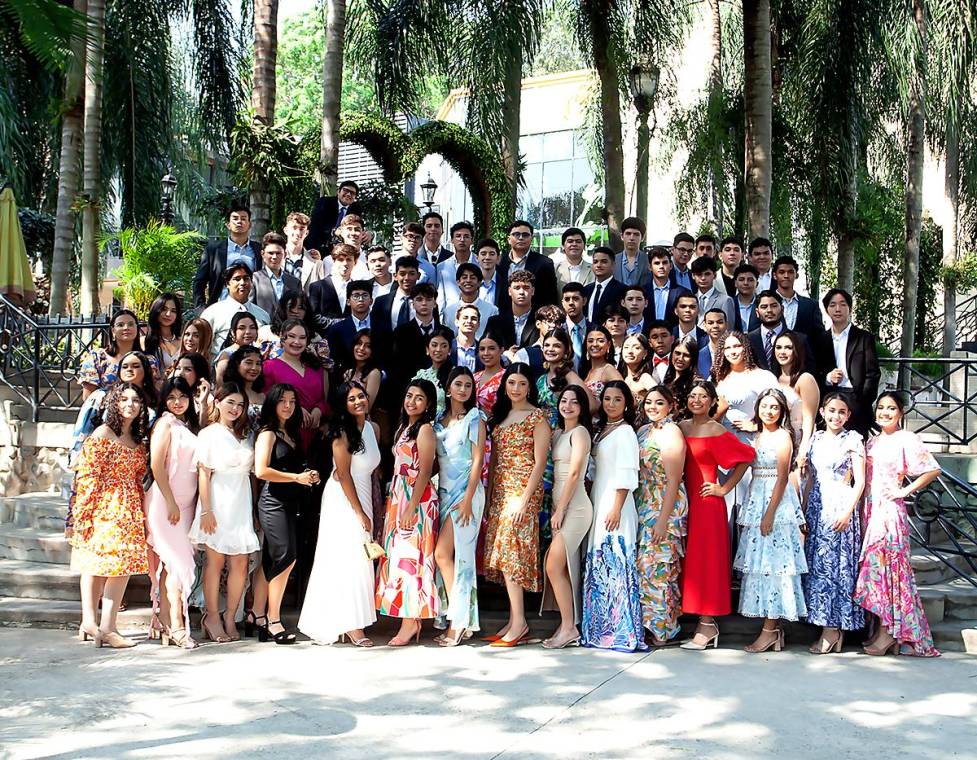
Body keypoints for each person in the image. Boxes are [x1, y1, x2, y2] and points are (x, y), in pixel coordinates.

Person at [854, 391, 941, 657]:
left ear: (900, 412)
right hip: (868, 510)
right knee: (874, 573)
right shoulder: (871, 441)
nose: (885, 413)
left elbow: (931, 469)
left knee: (887, 572)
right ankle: (882, 630)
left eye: (891, 408)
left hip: (889, 511)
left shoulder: (907, 439)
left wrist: (905, 491)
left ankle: (890, 633)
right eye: (881, 408)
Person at [68, 382, 150, 648]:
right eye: (124, 399)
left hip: (129, 507)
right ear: (114, 403)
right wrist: (83, 514)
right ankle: (92, 622)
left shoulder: (138, 439)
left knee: (121, 568)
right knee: (96, 564)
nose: (130, 404)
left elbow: (139, 478)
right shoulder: (103, 433)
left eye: (135, 400)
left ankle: (106, 626)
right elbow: (87, 476)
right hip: (103, 505)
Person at [299, 381, 380, 646]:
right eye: (351, 398)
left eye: (361, 396)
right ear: (342, 405)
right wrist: (359, 512)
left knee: (361, 557)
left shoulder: (372, 428)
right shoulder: (341, 432)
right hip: (344, 498)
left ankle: (354, 619)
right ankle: (351, 625)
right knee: (348, 557)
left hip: (365, 492)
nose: (358, 401)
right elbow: (343, 474)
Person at [678, 380, 754, 649]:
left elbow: (747, 456)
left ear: (712, 402)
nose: (696, 400)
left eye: (702, 396)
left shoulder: (716, 429)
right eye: (692, 395)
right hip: (682, 501)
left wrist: (724, 488)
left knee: (706, 562)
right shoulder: (681, 427)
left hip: (707, 502)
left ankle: (708, 625)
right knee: (688, 561)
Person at [733, 388, 808, 653]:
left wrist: (769, 514)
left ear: (782, 411)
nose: (769, 411)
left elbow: (783, 477)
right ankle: (772, 630)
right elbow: (743, 465)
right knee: (760, 564)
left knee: (775, 566)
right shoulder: (756, 436)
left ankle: (770, 629)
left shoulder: (783, 437)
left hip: (775, 502)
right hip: (756, 494)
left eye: (774, 407)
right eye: (764, 406)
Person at [482, 364, 550, 646]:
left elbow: (540, 463)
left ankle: (520, 622)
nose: (516, 388)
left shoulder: (538, 417)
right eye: (512, 382)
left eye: (522, 383)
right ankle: (514, 619)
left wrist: (524, 499)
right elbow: (495, 460)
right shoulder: (501, 416)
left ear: (529, 387)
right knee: (504, 556)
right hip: (500, 492)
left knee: (512, 556)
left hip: (522, 493)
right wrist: (488, 498)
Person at [188, 382, 259, 644]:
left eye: (240, 405)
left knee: (240, 561)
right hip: (217, 499)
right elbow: (203, 473)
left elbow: (252, 476)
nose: (236, 408)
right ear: (217, 402)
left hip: (241, 500)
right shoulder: (209, 434)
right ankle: (212, 616)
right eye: (230, 402)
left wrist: (252, 511)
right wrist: (206, 510)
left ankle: (230, 616)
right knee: (215, 562)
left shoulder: (246, 434)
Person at [581, 381, 645, 652]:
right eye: (606, 399)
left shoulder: (627, 432)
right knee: (599, 562)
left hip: (616, 503)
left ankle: (622, 631)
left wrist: (616, 506)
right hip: (599, 497)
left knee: (616, 562)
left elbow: (628, 472)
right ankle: (600, 630)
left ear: (626, 404)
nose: (610, 404)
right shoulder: (600, 431)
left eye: (617, 399)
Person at [375, 379, 440, 645]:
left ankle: (411, 621)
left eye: (419, 398)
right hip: (399, 496)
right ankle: (407, 618)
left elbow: (425, 470)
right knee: (398, 556)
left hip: (417, 498)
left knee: (412, 557)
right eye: (409, 395)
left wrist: (412, 506)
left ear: (428, 404)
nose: (412, 401)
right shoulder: (405, 427)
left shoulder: (424, 430)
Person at [253, 384, 319, 644]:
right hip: (272, 502)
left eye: (293, 401)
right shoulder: (268, 434)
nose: (289, 406)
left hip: (291, 503)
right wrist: (296, 477)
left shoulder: (291, 433)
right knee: (286, 557)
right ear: (273, 403)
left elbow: (293, 470)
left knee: (271, 560)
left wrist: (308, 476)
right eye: (283, 401)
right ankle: (273, 619)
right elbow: (261, 471)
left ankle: (256, 615)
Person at [802, 393, 866, 654]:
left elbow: (859, 481)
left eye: (841, 411)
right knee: (818, 565)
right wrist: (803, 509)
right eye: (831, 410)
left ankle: (833, 628)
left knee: (835, 568)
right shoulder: (815, 438)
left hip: (839, 503)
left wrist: (848, 511)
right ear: (823, 412)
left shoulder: (852, 440)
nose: (835, 416)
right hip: (817, 504)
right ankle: (824, 624)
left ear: (848, 415)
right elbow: (810, 477)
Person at [144, 378, 200, 649]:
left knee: (173, 566)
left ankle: (166, 621)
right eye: (172, 397)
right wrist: (170, 502)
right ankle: (177, 625)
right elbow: (156, 464)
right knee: (178, 565)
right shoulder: (165, 424)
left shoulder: (186, 425)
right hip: (166, 505)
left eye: (182, 396)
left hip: (186, 506)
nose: (177, 402)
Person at [433, 367, 487, 645]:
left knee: (453, 557)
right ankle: (453, 616)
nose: (463, 389)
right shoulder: (438, 421)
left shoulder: (476, 419)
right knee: (443, 556)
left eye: (468, 385)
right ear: (448, 387)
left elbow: (478, 461)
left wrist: (467, 500)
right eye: (458, 384)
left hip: (467, 493)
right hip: (443, 493)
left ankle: (460, 622)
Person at [540, 385, 593, 649]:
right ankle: (567, 623)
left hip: (576, 507)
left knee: (553, 565)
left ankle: (570, 627)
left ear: (582, 407)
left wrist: (561, 509)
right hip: (559, 506)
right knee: (559, 567)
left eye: (574, 402)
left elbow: (574, 474)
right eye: (564, 400)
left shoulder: (580, 432)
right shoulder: (559, 432)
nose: (568, 405)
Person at [635, 387, 688, 646]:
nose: (652, 407)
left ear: (671, 405)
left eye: (659, 403)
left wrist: (662, 520)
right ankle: (647, 623)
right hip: (644, 501)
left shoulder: (672, 433)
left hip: (663, 505)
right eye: (648, 402)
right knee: (645, 568)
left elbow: (673, 480)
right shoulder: (644, 431)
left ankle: (663, 628)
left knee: (658, 567)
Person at [812, 288, 881, 437]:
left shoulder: (864, 338)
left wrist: (862, 401)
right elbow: (814, 371)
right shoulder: (819, 340)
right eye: (833, 305)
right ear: (827, 309)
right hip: (829, 398)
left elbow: (873, 373)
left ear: (850, 308)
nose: (838, 309)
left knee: (855, 447)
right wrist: (827, 378)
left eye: (843, 304)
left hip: (855, 398)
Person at [262, 319, 329, 449]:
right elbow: (265, 400)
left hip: (316, 435)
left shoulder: (316, 367)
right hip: (287, 436)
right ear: (282, 337)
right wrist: (295, 408)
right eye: (291, 336)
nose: (297, 342)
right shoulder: (269, 367)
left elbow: (325, 400)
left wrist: (319, 410)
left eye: (302, 338)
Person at [79, 309, 160, 399]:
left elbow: (152, 392)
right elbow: (88, 397)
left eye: (130, 324)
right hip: (103, 410)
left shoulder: (149, 360)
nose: (126, 328)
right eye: (120, 325)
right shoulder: (97, 358)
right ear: (113, 331)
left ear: (137, 329)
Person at [192, 203, 262, 307]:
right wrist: (201, 309)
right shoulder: (213, 250)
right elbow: (199, 283)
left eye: (243, 219)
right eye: (235, 218)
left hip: (250, 310)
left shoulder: (258, 250)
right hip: (220, 308)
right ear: (228, 225)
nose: (239, 222)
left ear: (250, 224)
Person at [199, 262, 270, 360]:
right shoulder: (212, 313)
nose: (242, 283)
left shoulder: (263, 315)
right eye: (237, 279)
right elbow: (201, 348)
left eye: (246, 279)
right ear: (227, 283)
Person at [772, 331, 820, 471]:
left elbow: (809, 419)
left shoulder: (805, 379)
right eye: (778, 347)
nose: (782, 352)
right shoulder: (772, 378)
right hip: (777, 444)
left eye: (788, 347)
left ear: (796, 351)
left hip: (798, 444)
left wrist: (803, 451)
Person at [259, 290, 332, 366]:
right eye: (291, 306)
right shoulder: (265, 333)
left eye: (300, 308)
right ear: (283, 308)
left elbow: (324, 369)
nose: (295, 311)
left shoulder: (315, 338)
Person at [498, 219, 558, 308]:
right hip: (503, 315)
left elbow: (550, 296)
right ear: (509, 239)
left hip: (533, 316)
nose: (521, 238)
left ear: (531, 239)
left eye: (525, 235)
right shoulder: (499, 261)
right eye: (516, 234)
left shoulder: (545, 263)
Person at [441, 262, 498, 337]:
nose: (468, 280)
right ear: (458, 282)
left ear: (479, 283)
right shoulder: (448, 312)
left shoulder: (492, 310)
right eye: (464, 277)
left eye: (472, 277)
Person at [252, 232, 302, 316]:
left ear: (285, 254)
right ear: (262, 254)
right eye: (270, 253)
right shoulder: (254, 279)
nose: (274, 257)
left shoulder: (295, 282)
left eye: (278, 253)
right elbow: (250, 308)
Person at [485, 270, 538, 349]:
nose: (521, 292)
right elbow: (485, 348)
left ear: (533, 291)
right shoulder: (495, 322)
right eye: (517, 288)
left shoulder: (541, 320)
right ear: (509, 291)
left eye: (526, 288)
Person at [309, 243, 359, 323]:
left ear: (355, 262)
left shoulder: (358, 288)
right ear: (333, 261)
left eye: (349, 259)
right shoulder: (317, 287)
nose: (345, 263)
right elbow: (314, 316)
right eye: (340, 259)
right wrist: (341, 324)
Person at [308, 179, 362, 254]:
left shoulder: (356, 209)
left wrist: (369, 234)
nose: (349, 194)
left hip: (342, 250)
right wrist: (334, 231)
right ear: (338, 191)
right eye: (346, 190)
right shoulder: (324, 203)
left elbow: (358, 227)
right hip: (318, 246)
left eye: (352, 193)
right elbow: (315, 226)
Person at [772, 255, 821, 335]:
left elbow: (819, 335)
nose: (786, 276)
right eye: (782, 272)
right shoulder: (765, 303)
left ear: (796, 275)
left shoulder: (811, 305)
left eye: (790, 272)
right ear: (775, 275)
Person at [643, 249, 691, 329]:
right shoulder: (642, 292)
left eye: (665, 262)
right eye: (657, 263)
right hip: (647, 336)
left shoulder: (683, 292)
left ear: (671, 266)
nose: (661, 266)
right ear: (650, 267)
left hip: (674, 337)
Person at [222, 346, 266, 433]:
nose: (254, 368)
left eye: (258, 363)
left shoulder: (263, 396)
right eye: (249, 363)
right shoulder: (228, 392)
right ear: (237, 364)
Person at [281, 211, 326, 294]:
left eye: (302, 229)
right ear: (286, 230)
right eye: (294, 227)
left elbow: (320, 294)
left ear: (307, 233)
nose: (298, 232)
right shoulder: (274, 258)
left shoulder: (316, 264)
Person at [339, 329, 382, 411]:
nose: (361, 348)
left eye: (367, 346)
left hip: (361, 419)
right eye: (359, 343)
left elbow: (366, 408)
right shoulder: (349, 372)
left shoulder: (374, 373)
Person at [436, 221, 477, 306]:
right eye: (458, 236)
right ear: (452, 240)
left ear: (472, 240)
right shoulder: (442, 267)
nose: (462, 240)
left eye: (466, 236)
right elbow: (441, 298)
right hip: (450, 315)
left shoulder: (480, 263)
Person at [141, 292, 184, 373]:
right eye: (164, 309)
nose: (168, 314)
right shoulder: (144, 342)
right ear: (155, 310)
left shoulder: (184, 341)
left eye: (173, 311)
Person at [580, 324, 623, 402]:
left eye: (600, 341)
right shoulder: (586, 371)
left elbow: (627, 397)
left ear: (608, 345)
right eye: (590, 341)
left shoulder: (608, 370)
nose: (595, 344)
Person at [690, 254, 735, 327]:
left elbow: (729, 329)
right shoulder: (691, 300)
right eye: (699, 274)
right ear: (693, 276)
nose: (703, 278)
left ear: (714, 275)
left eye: (707, 274)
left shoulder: (725, 300)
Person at [583, 247, 626, 324]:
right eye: (595, 262)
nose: (599, 265)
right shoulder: (586, 289)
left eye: (604, 262)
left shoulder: (622, 290)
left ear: (613, 265)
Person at [214, 311, 259, 384]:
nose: (248, 332)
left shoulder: (257, 352)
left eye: (252, 327)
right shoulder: (227, 355)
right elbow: (220, 383)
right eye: (242, 328)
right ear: (232, 332)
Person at [663, 340, 699, 420]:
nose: (680, 358)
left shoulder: (697, 383)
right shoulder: (667, 379)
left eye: (686, 355)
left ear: (693, 358)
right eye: (677, 353)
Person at [619, 332, 656, 405]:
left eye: (636, 348)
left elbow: (662, 398)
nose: (630, 351)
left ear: (645, 353)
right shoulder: (622, 377)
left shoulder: (645, 378)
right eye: (626, 347)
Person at [614, 217, 650, 287]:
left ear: (642, 238)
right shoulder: (613, 260)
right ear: (622, 236)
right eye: (628, 233)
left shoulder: (649, 260)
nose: (631, 238)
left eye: (636, 234)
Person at [698, 308, 728, 379]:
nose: (715, 326)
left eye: (720, 322)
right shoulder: (698, 356)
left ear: (726, 324)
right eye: (710, 323)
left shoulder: (734, 352)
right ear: (704, 325)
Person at [732, 263, 760, 332]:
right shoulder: (729, 303)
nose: (746, 283)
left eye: (750, 280)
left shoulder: (762, 304)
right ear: (735, 283)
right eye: (741, 279)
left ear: (757, 283)